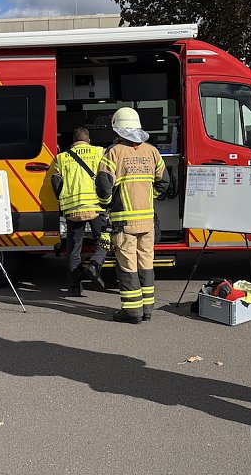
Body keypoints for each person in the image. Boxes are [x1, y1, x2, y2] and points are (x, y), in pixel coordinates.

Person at [96, 107, 169, 323]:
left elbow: (103, 187)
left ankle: (131, 312)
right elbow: (164, 182)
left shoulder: (114, 152)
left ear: (117, 130)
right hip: (148, 221)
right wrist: (149, 196)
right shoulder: (152, 152)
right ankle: (147, 310)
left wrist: (107, 205)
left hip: (124, 222)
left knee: (128, 265)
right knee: (146, 263)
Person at [51, 127, 109, 297]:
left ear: (73, 142)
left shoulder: (62, 158)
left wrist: (62, 201)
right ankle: (94, 265)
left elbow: (56, 182)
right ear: (88, 140)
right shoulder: (100, 152)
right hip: (95, 206)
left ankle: (75, 287)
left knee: (74, 249)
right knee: (103, 240)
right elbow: (106, 178)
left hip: (73, 208)